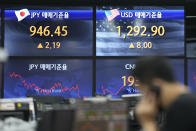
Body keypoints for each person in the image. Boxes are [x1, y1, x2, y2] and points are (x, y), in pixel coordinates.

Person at [134, 55, 196, 131]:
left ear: (155, 87)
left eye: (144, 92)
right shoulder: (188, 102)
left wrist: (148, 122)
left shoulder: (182, 108)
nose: (144, 98)